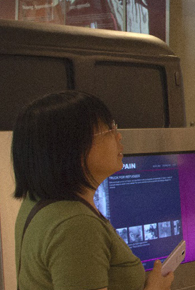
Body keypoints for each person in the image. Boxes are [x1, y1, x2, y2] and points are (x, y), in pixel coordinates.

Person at [12, 91, 174, 290]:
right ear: (73, 147)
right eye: (108, 130)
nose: (118, 135)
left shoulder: (38, 200)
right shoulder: (76, 225)